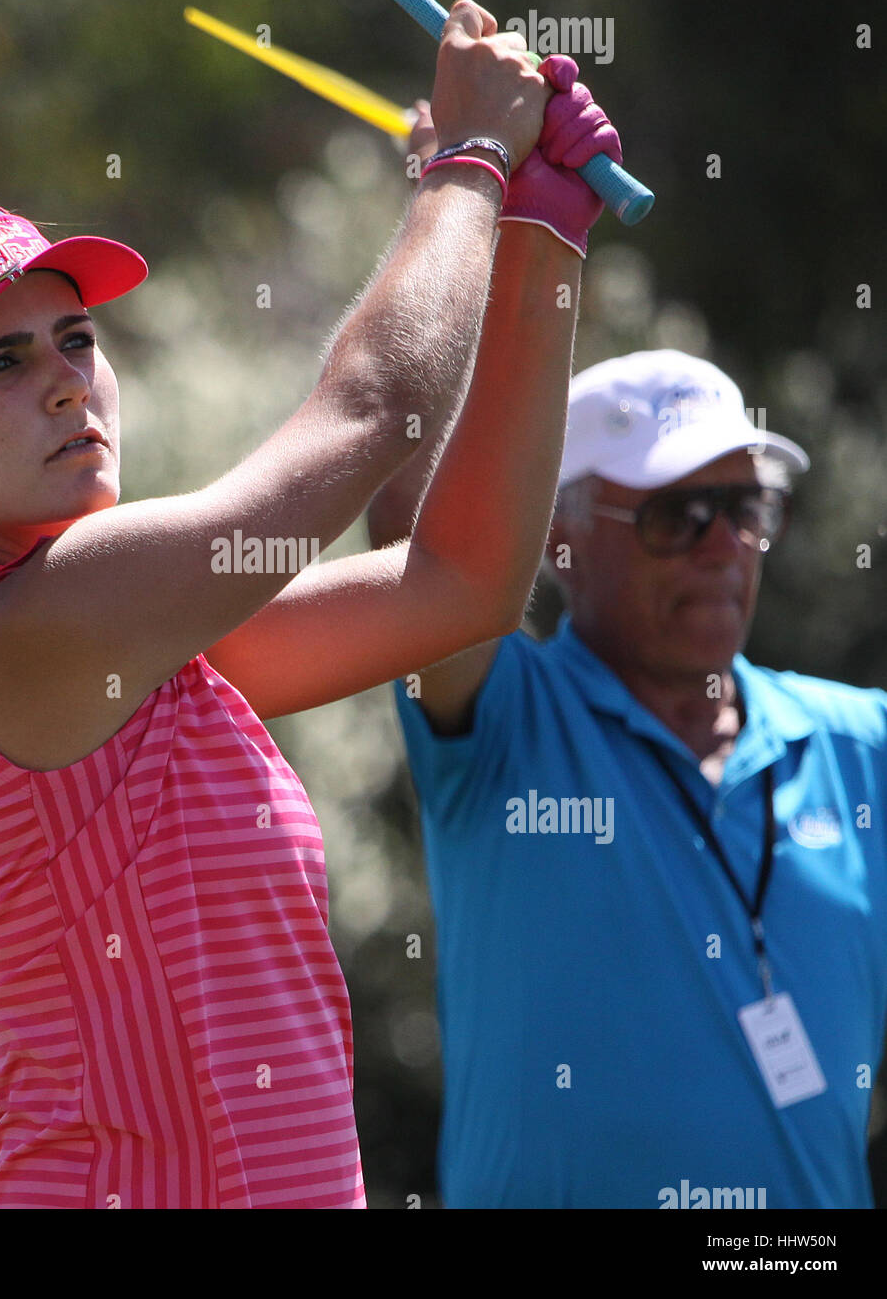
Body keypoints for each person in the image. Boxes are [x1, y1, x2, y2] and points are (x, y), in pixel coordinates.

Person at [0, 1, 619, 1207]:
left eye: (75, 339)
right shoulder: (48, 619)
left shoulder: (127, 638)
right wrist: (468, 162)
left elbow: (465, 585)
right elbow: (369, 416)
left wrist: (540, 231)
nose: (66, 385)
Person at [373, 347, 887, 1208]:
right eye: (679, 511)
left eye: (745, 506)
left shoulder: (860, 743)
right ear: (558, 541)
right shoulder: (506, 720)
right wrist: (507, 229)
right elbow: (413, 527)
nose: (724, 544)